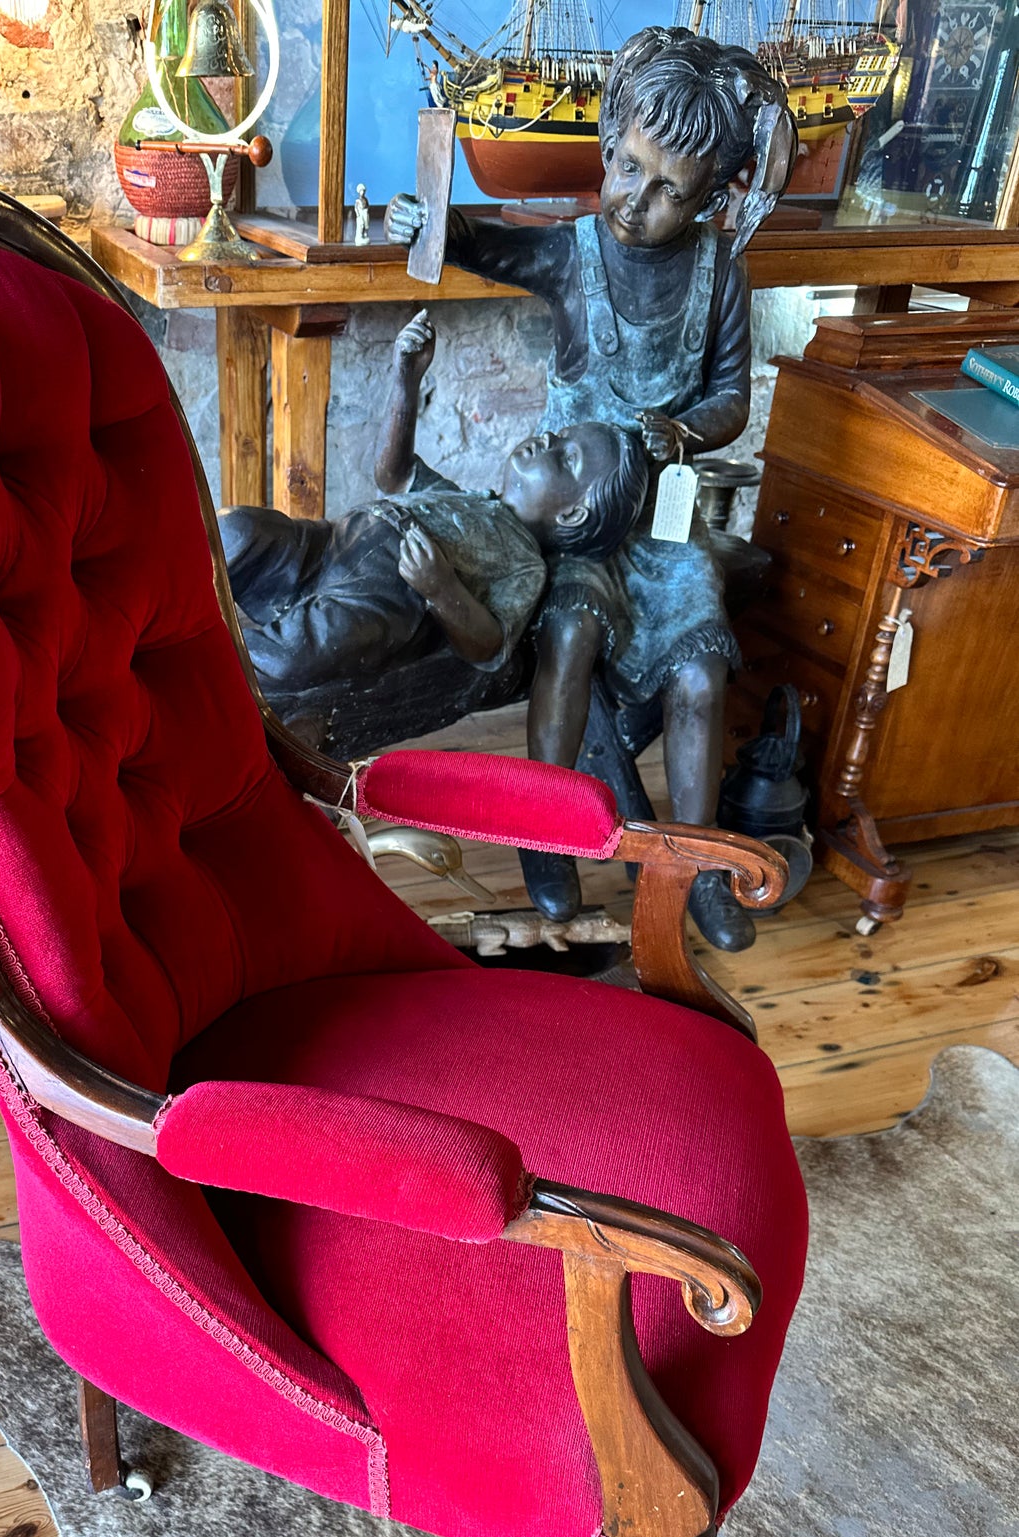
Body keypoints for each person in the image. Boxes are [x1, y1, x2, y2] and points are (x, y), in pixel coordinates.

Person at [387, 27, 796, 950]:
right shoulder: (573, 255)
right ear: (607, 142)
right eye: (625, 167)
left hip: (662, 527)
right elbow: (488, 248)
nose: (633, 201)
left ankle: (689, 863)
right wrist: (436, 226)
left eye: (668, 191)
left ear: (713, 195)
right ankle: (546, 839)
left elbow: (730, 394)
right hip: (574, 535)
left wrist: (686, 430)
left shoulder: (718, 274)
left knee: (700, 661)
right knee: (566, 633)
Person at [221, 310, 648, 710]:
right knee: (238, 531)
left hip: (388, 588)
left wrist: (441, 588)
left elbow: (490, 645)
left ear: (572, 514)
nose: (547, 442)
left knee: (300, 651)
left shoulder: (526, 563)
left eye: (565, 459)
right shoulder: (465, 499)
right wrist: (405, 377)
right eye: (557, 435)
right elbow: (393, 475)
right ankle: (170, 595)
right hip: (333, 540)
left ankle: (208, 671)